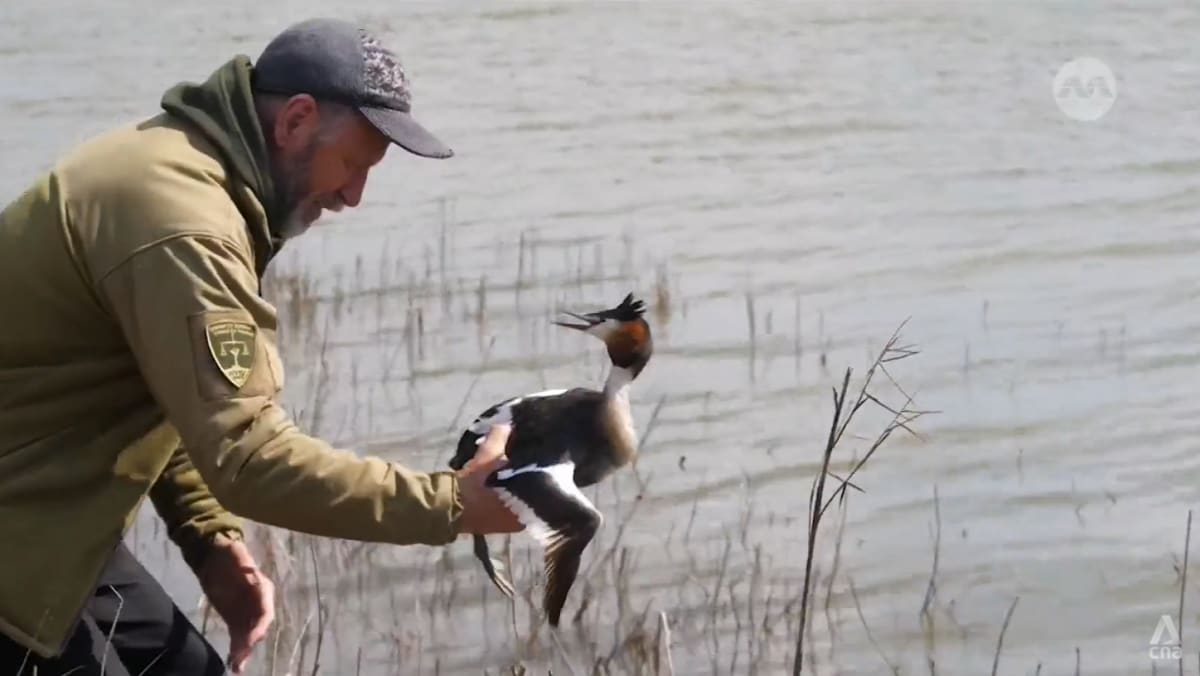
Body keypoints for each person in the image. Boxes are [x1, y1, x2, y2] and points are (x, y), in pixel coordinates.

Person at [0, 16, 522, 676]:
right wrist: (451, 505)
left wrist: (207, 538)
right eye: (354, 164)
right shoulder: (186, 224)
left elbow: (151, 387)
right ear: (296, 121)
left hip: (51, 514)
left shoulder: (187, 164)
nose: (355, 195)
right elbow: (248, 457)